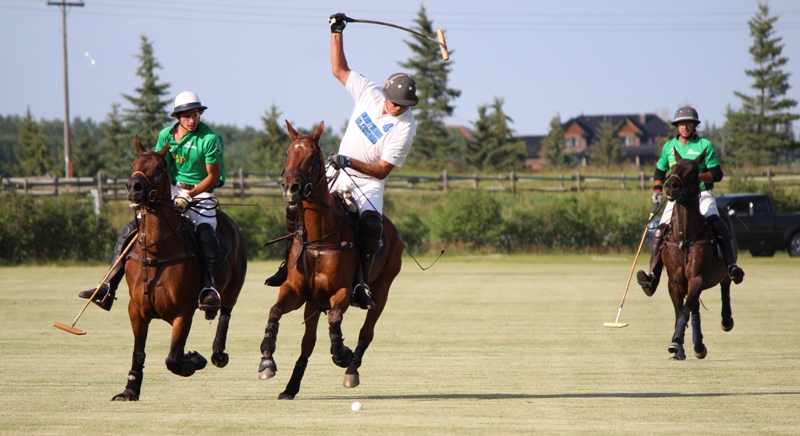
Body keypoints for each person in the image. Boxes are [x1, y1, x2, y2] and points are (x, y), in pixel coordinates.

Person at [264, 12, 417, 311]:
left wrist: (351, 162)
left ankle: (359, 282)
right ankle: (288, 266)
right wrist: (337, 31)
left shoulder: (405, 127)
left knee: (372, 226)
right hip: (337, 171)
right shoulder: (370, 94)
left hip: (368, 183)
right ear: (385, 95)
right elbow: (339, 68)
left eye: (405, 105)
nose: (399, 108)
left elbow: (383, 171)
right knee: (295, 207)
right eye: (396, 102)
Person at [79, 91, 226, 314]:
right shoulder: (166, 135)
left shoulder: (210, 139)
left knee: (205, 233)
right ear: (177, 117)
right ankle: (108, 286)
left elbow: (213, 177)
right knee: (130, 229)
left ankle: (209, 289)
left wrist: (189, 195)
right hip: (172, 191)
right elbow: (157, 167)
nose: (192, 119)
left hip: (200, 194)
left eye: (196, 114)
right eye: (187, 115)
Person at [636, 106, 745, 296]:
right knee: (660, 229)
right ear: (676, 127)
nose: (684, 127)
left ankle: (731, 265)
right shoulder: (669, 147)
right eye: (680, 124)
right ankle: (653, 274)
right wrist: (657, 190)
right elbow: (660, 170)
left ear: (694, 125)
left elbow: (717, 174)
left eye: (688, 123)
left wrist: (696, 178)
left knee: (716, 221)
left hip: (701, 195)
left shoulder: (705, 145)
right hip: (676, 198)